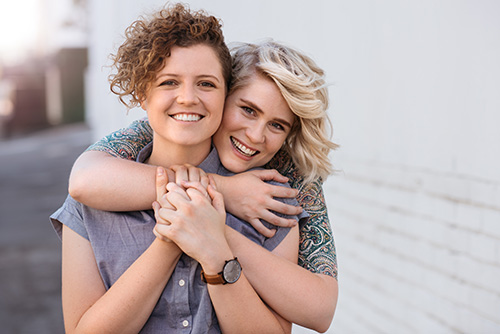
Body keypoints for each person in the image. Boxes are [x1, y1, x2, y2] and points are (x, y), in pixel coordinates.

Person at [50, 4, 304, 333]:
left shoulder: (266, 202)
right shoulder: (89, 207)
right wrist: (169, 240)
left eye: (206, 84)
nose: (187, 98)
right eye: (169, 82)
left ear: (227, 94)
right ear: (143, 93)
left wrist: (216, 255)